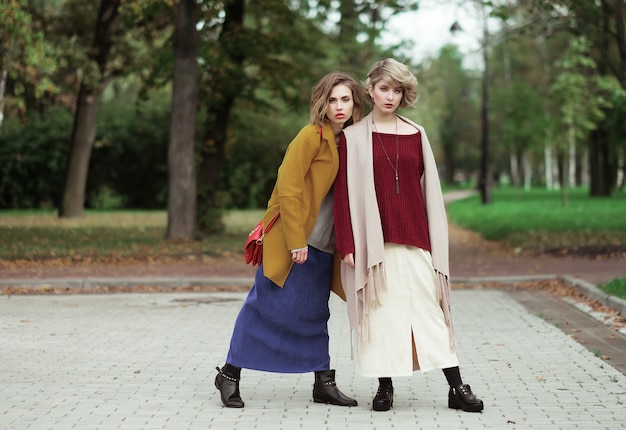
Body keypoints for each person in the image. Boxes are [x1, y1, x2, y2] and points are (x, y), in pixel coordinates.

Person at [333, 58, 484, 413]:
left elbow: (429, 191)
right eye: (384, 89)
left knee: (430, 312)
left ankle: (456, 386)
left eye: (397, 90)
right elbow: (342, 195)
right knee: (381, 314)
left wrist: (435, 243)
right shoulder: (352, 138)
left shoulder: (417, 133)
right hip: (375, 245)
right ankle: (385, 388)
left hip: (416, 240)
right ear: (369, 90)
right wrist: (347, 244)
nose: (390, 96)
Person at [215, 71, 364, 408]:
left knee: (315, 314)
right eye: (332, 100)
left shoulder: (353, 141)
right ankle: (229, 373)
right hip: (294, 240)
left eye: (345, 99)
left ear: (356, 103)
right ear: (322, 104)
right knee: (264, 308)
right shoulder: (311, 136)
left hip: (325, 245)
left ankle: (323, 382)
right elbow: (289, 187)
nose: (339, 106)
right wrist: (296, 240)